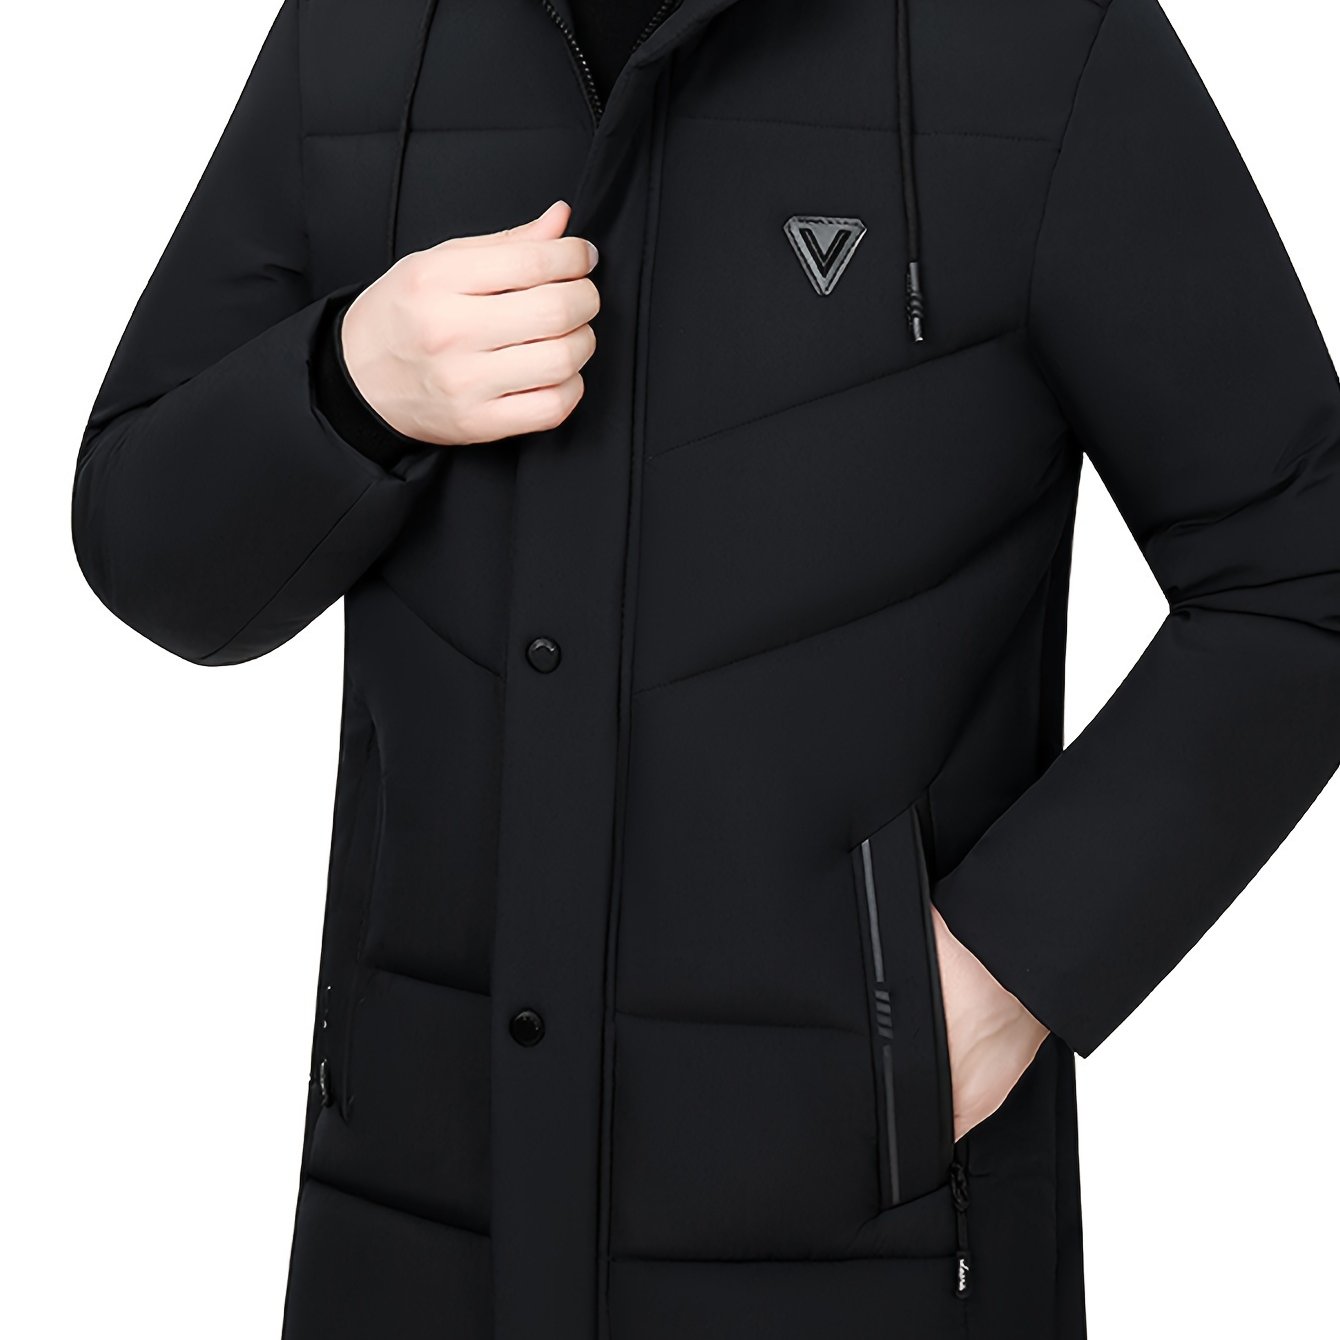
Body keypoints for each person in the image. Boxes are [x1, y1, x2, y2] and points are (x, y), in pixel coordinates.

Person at [71, 1, 1340, 1337]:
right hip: (413, 1222)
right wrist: (349, 382)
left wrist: (1015, 971)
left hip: (862, 1233)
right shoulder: (367, 28)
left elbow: (1299, 566)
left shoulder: (1037, 35)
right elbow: (148, 549)